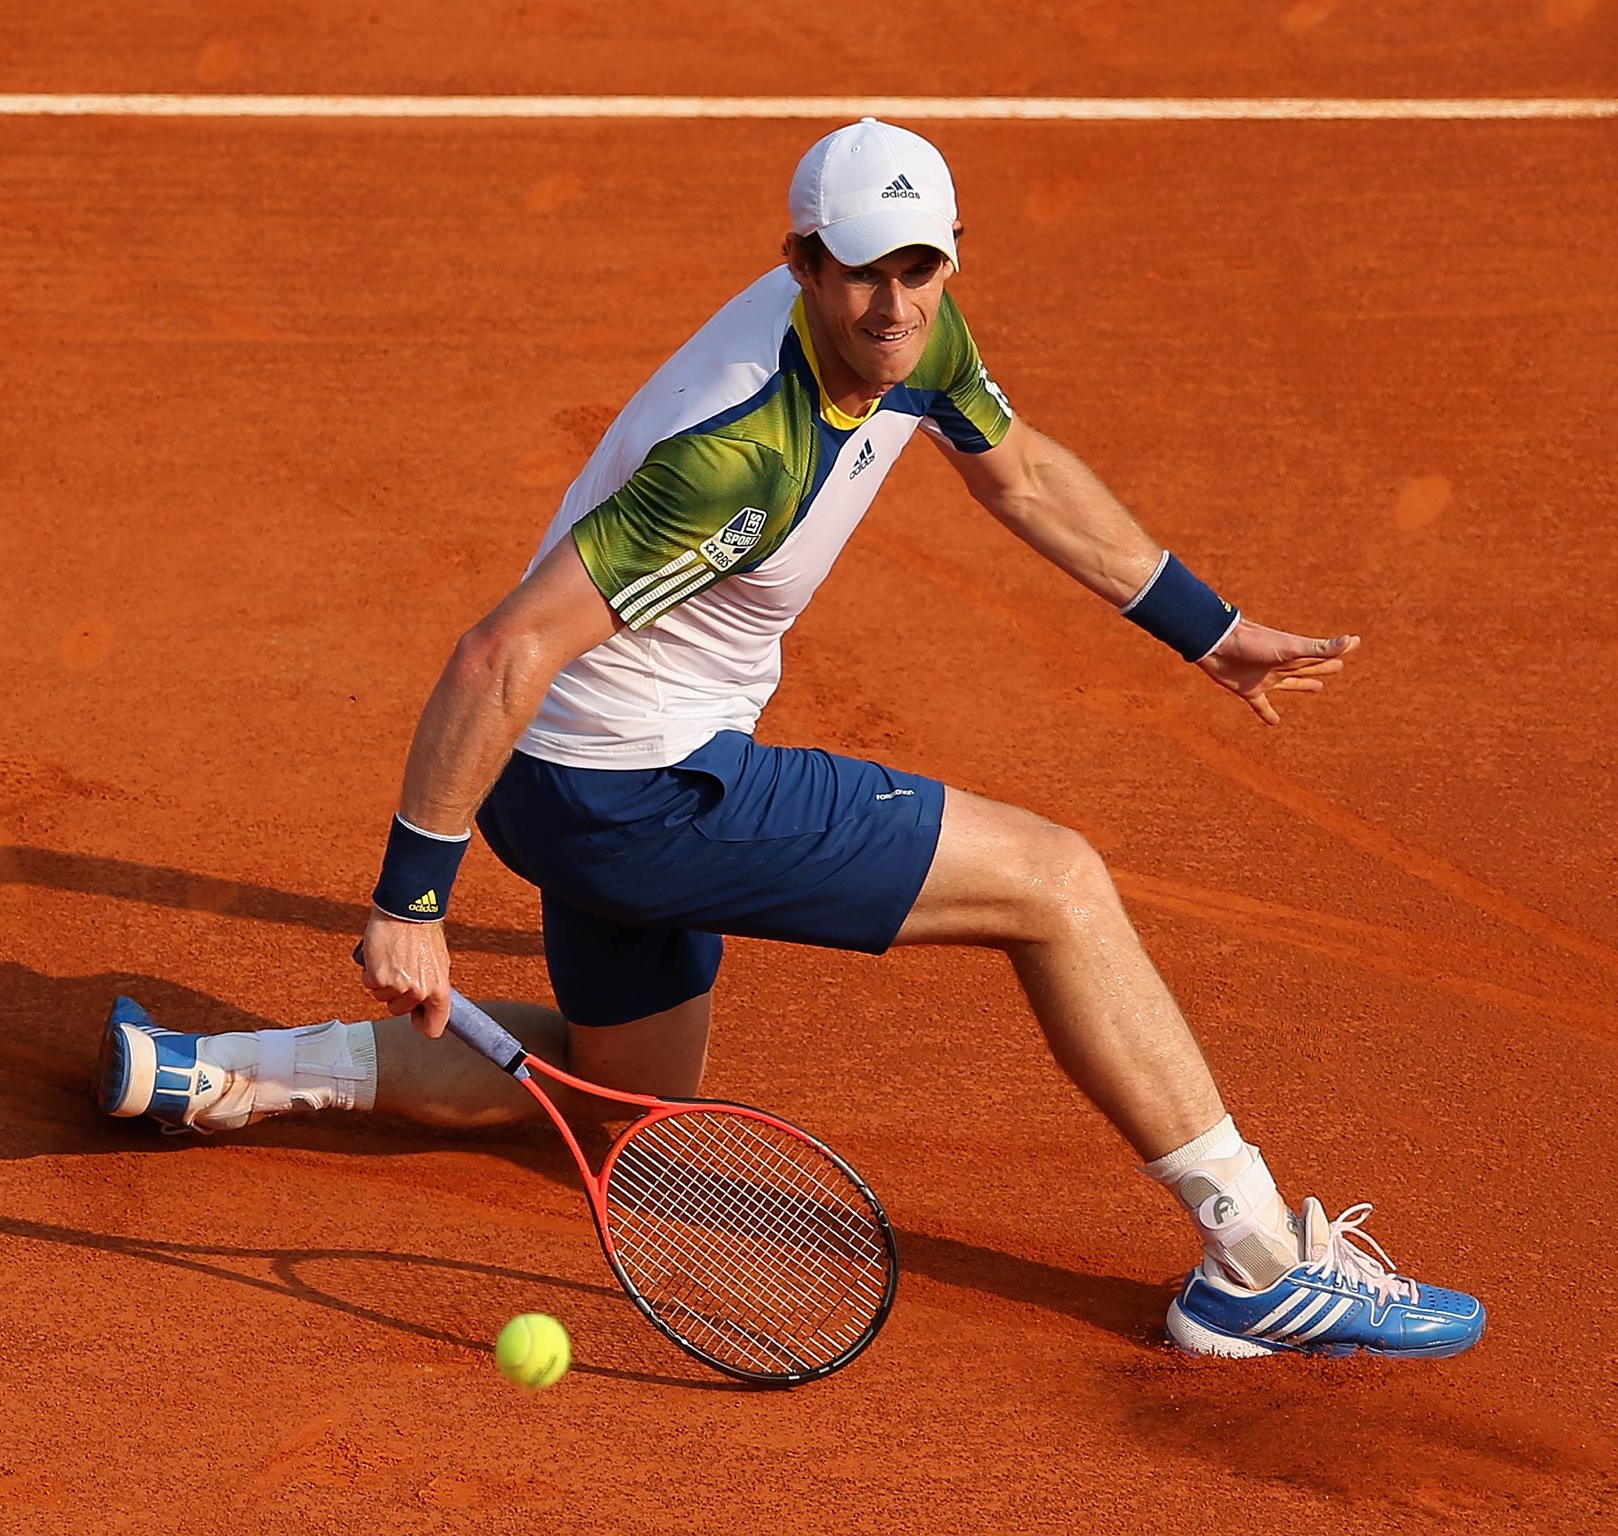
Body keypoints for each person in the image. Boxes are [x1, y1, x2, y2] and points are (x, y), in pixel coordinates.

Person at [97, 119, 1483, 1359]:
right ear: (805, 261)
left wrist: (1207, 626)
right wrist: (410, 897)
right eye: (866, 271)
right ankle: (1254, 1264)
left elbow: (1021, 469)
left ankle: (221, 1076)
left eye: (922, 267)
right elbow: (503, 648)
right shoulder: (738, 452)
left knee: (625, 1098)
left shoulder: (918, 334)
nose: (895, 305)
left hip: (582, 778)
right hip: (633, 788)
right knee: (1058, 886)